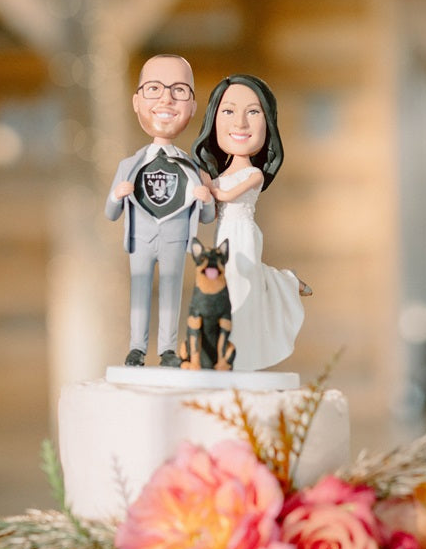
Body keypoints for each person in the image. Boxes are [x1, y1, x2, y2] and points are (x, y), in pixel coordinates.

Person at [192, 74, 310, 372]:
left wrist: (209, 188)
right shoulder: (218, 175)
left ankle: (285, 284)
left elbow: (227, 195)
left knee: (244, 282)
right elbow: (211, 207)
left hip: (242, 232)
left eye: (253, 112)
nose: (240, 123)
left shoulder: (253, 175)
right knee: (226, 285)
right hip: (223, 234)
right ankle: (227, 351)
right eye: (229, 111)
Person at [106, 54, 215, 367]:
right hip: (140, 239)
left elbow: (207, 217)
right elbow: (110, 212)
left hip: (174, 238)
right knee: (139, 294)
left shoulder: (193, 167)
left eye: (179, 90)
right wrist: (117, 193)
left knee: (171, 294)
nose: (166, 97)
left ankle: (167, 348)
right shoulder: (128, 166)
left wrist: (205, 198)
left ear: (192, 106)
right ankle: (136, 348)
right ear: (137, 101)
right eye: (154, 88)